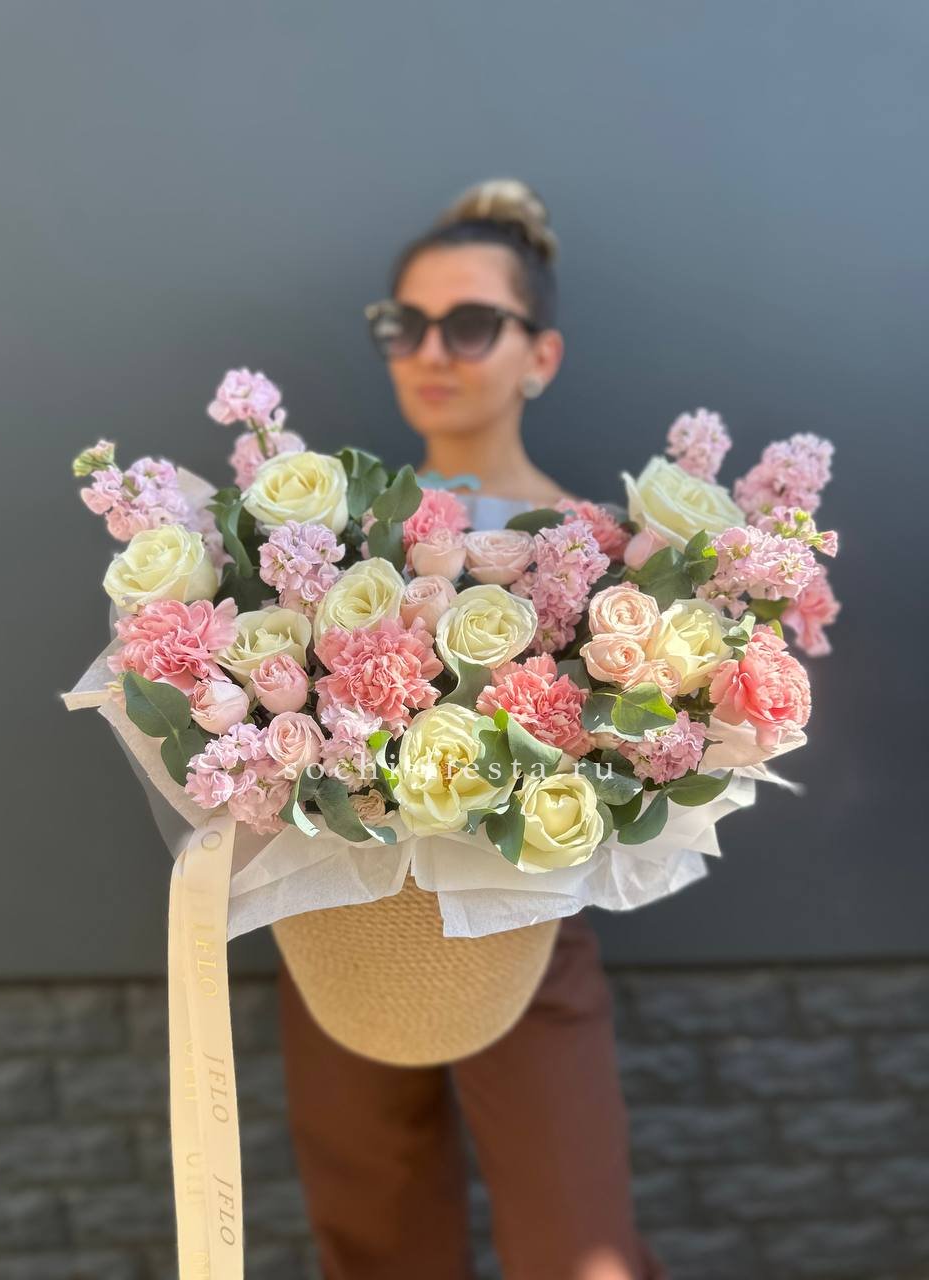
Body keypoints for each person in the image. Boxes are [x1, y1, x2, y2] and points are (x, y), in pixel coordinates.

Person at [276, 178, 668, 1280]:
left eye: (471, 324)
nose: (430, 351)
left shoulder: (599, 549)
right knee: (374, 1236)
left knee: (578, 1244)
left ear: (540, 354)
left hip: (529, 924)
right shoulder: (333, 538)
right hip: (345, 918)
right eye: (406, 324)